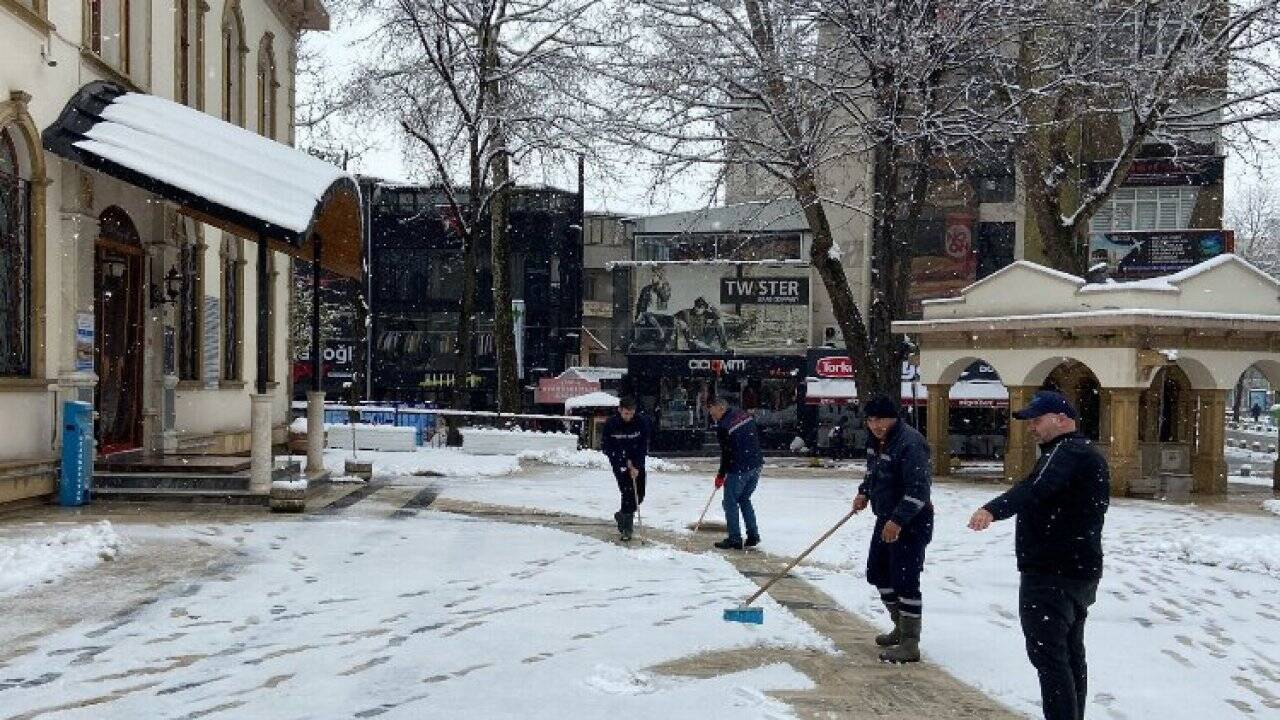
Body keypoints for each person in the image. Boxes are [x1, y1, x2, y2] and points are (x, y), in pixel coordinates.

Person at [967, 390, 1110, 720]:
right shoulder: (1081, 452)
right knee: (1069, 655)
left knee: (1051, 657)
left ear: (1062, 420)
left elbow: (1035, 489)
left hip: (1053, 573)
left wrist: (992, 509)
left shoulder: (1067, 451)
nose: (1031, 427)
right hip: (1077, 568)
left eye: (1037, 420)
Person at [852, 395, 933, 664]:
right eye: (871, 420)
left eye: (881, 420)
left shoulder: (910, 443)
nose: (875, 425)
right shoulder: (876, 441)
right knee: (877, 572)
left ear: (894, 418)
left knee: (905, 580)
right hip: (884, 517)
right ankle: (900, 625)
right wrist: (864, 492)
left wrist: (898, 520)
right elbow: (873, 472)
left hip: (911, 521)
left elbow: (919, 490)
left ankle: (910, 643)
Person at [708, 397, 764, 550]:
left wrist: (720, 475)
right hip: (756, 464)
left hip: (739, 468)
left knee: (730, 503)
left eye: (713, 414)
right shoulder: (743, 415)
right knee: (744, 498)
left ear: (721, 408)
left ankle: (734, 539)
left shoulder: (724, 426)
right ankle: (753, 535)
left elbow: (727, 453)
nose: (713, 418)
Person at [601, 397, 651, 542]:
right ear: (620, 410)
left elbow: (643, 445)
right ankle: (627, 529)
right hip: (620, 464)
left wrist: (636, 464)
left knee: (639, 495)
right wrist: (623, 461)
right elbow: (606, 447)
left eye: (631, 413)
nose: (629, 417)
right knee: (628, 494)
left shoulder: (641, 422)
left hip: (637, 461)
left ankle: (622, 515)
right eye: (626, 413)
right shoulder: (611, 424)